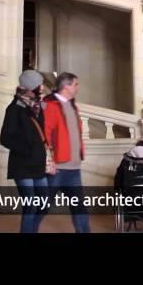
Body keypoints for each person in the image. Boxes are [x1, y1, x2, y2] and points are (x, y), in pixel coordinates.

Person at [0, 69, 48, 233]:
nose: (43, 88)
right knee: (31, 206)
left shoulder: (37, 107)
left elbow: (42, 133)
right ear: (30, 87)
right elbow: (5, 138)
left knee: (44, 204)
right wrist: (29, 148)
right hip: (22, 165)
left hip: (38, 164)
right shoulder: (14, 109)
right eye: (39, 85)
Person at [43, 72, 90, 233]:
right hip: (57, 168)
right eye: (76, 84)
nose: (78, 87)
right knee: (41, 207)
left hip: (74, 168)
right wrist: (49, 161)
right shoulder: (50, 105)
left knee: (80, 208)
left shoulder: (72, 105)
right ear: (66, 86)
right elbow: (45, 134)